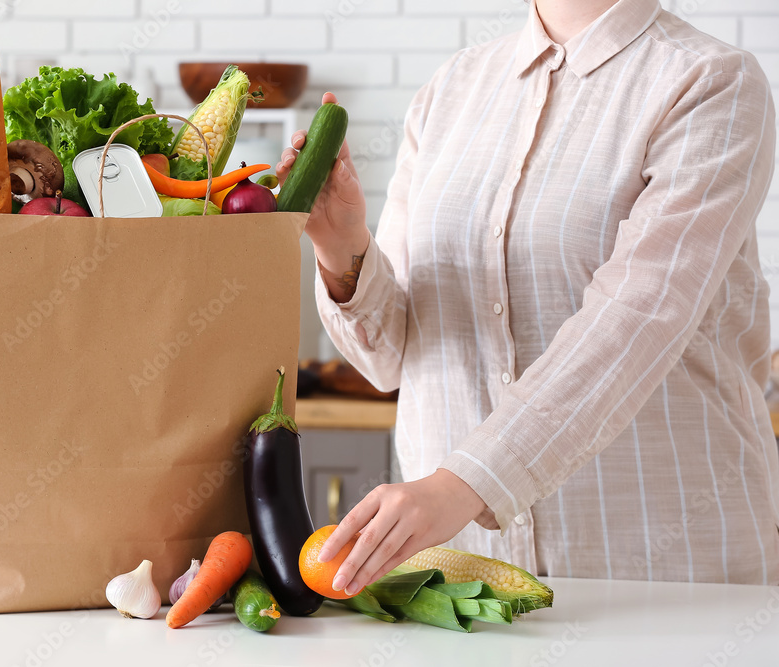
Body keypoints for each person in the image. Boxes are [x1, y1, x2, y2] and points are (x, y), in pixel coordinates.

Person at [277, 0, 779, 597]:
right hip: (465, 577)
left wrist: (462, 484)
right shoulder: (450, 92)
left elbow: (639, 317)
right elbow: (390, 360)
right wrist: (342, 248)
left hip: (661, 566)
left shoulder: (709, 82)